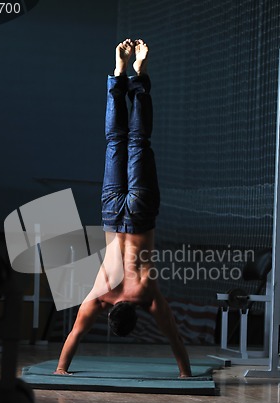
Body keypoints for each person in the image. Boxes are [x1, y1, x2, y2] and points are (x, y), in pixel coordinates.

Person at [54, 39, 192, 378]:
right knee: (116, 142)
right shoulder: (100, 295)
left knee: (138, 142)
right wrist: (60, 368)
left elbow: (174, 338)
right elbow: (75, 335)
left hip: (141, 215)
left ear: (136, 311)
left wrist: (186, 373)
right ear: (111, 311)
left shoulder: (147, 295)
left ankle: (138, 78)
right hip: (113, 214)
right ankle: (117, 75)